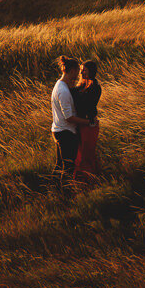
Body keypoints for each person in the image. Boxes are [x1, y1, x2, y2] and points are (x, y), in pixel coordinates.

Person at [51, 56, 93, 190]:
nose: (78, 75)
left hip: (59, 130)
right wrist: (88, 122)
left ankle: (53, 190)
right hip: (66, 133)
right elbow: (69, 117)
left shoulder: (60, 85)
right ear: (72, 70)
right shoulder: (63, 91)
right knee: (68, 167)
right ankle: (65, 195)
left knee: (59, 165)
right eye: (77, 72)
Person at [72, 60, 102, 180]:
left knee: (87, 152)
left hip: (89, 124)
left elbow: (86, 105)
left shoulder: (95, 87)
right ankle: (82, 178)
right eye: (81, 69)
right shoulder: (82, 84)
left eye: (84, 70)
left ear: (91, 71)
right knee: (80, 152)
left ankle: (90, 178)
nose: (81, 72)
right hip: (81, 123)